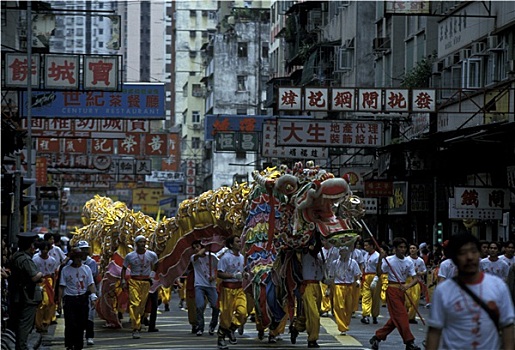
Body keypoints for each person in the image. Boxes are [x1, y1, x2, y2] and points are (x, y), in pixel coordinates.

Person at [425, 232, 515, 350]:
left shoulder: (498, 286)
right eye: (463, 253)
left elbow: (508, 326)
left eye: (473, 251)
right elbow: (434, 331)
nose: (469, 257)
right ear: (454, 258)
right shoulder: (443, 291)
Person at [369, 237, 421, 350]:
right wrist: (380, 260)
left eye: (404, 247)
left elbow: (416, 278)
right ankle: (409, 342)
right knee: (402, 316)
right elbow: (378, 273)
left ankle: (378, 336)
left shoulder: (409, 262)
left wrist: (407, 286)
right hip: (392, 290)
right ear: (395, 249)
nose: (403, 250)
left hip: (402, 290)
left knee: (396, 318)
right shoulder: (389, 260)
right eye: (400, 247)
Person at [8, 231, 44, 350]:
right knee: (24, 325)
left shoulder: (16, 256)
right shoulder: (25, 260)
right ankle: (22, 347)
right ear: (31, 245)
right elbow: (34, 277)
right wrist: (40, 274)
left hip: (19, 295)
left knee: (21, 323)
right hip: (27, 296)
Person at [120, 235, 159, 339]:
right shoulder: (130, 256)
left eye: (144, 242)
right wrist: (123, 280)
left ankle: (138, 322)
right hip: (134, 281)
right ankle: (135, 328)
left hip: (146, 282)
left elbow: (156, 264)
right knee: (134, 303)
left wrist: (152, 274)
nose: (143, 244)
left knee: (141, 306)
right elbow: (123, 268)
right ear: (136, 244)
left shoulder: (151, 254)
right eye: (140, 242)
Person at [59, 246, 97, 350]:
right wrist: (59, 303)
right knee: (70, 323)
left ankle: (78, 345)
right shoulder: (65, 270)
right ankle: (70, 344)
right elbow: (61, 286)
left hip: (82, 299)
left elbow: (91, 284)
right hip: (70, 299)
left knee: (81, 323)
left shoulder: (86, 269)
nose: (78, 260)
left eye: (80, 257)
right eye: (76, 257)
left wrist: (93, 297)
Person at [291, 244, 325, 348]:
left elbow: (324, 274)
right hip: (307, 287)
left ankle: (296, 328)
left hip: (317, 287)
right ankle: (312, 339)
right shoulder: (304, 255)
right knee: (314, 315)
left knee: (307, 315)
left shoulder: (320, 257)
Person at [216, 235, 247, 350]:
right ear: (231, 245)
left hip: (239, 288)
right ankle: (221, 337)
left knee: (243, 313)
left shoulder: (242, 257)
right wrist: (233, 275)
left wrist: (245, 275)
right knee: (226, 316)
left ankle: (231, 329)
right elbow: (219, 273)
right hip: (227, 289)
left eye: (240, 241)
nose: (240, 243)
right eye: (237, 241)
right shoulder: (225, 258)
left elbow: (243, 272)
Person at [327, 247, 361, 335]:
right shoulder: (335, 263)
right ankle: (342, 327)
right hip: (338, 286)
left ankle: (346, 324)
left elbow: (357, 274)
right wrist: (328, 288)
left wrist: (357, 281)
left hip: (350, 287)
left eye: (345, 251)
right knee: (339, 307)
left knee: (349, 308)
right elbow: (331, 276)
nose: (344, 253)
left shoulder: (353, 262)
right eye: (342, 251)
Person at [191, 240, 219, 336]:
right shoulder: (194, 258)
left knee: (216, 306)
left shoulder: (212, 257)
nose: (196, 249)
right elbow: (197, 255)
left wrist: (214, 277)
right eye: (194, 248)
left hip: (211, 285)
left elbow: (219, 269)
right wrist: (205, 248)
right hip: (199, 285)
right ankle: (200, 327)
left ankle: (212, 325)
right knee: (199, 306)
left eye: (197, 246)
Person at [33, 241, 59, 334]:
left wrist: (54, 286)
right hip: (40, 282)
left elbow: (53, 274)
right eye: (43, 249)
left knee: (50, 303)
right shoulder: (35, 259)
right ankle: (39, 324)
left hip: (49, 282)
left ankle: (46, 322)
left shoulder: (52, 260)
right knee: (42, 303)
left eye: (46, 249)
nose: (44, 251)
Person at [77, 241, 99, 345]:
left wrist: (94, 294)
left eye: (86, 249)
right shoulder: (72, 263)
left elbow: (94, 279)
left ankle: (89, 336)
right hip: (76, 293)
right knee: (78, 317)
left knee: (90, 316)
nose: (84, 251)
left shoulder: (92, 263)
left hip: (88, 292)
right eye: (82, 249)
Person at [361, 239, 381, 325]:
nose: (365, 247)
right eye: (364, 245)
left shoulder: (377, 256)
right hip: (366, 276)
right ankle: (366, 315)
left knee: (375, 297)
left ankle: (375, 315)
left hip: (375, 276)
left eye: (367, 245)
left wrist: (376, 278)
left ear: (372, 246)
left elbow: (380, 268)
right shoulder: (365, 255)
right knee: (366, 296)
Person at [405, 244, 427, 324]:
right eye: (410, 248)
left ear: (417, 250)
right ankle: (406, 315)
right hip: (407, 281)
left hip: (416, 281)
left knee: (415, 300)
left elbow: (424, 271)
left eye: (414, 248)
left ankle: (411, 318)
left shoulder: (420, 261)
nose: (412, 250)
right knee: (407, 300)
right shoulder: (406, 259)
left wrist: (419, 272)